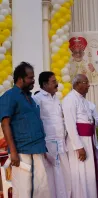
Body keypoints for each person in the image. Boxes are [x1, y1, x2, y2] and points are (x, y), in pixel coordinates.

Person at [0, 62, 51, 198]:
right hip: (22, 151)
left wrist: (42, 148)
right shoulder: (9, 96)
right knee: (24, 190)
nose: (33, 80)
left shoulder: (30, 98)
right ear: (20, 79)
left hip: (37, 149)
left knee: (41, 188)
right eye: (30, 78)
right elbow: (5, 124)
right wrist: (14, 152)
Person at [32, 71, 71, 198]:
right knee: (50, 177)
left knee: (64, 175)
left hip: (60, 142)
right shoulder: (37, 99)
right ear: (44, 84)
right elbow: (36, 123)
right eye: (53, 82)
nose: (57, 84)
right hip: (48, 144)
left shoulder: (56, 98)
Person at [62, 74, 98, 198]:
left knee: (89, 174)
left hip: (88, 141)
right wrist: (79, 147)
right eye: (86, 82)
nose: (89, 85)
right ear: (77, 84)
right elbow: (70, 125)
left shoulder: (83, 100)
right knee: (80, 174)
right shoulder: (70, 99)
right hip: (78, 142)